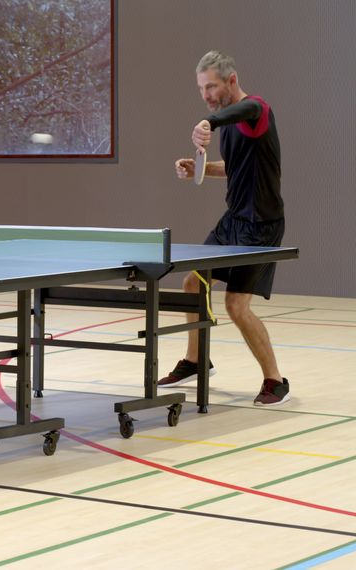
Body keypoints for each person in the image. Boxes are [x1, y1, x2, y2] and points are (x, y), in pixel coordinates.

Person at [166, 51, 289, 406]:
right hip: (233, 220)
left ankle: (275, 380)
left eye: (212, 87)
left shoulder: (256, 111)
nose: (206, 94)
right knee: (193, 282)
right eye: (201, 88)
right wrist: (198, 169)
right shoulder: (229, 123)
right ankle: (195, 360)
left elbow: (245, 111)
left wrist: (208, 122)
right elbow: (235, 168)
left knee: (236, 304)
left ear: (231, 81)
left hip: (261, 226)